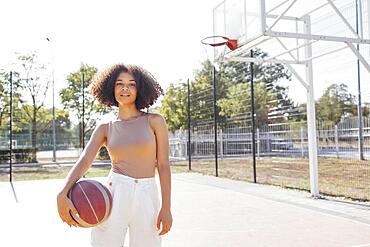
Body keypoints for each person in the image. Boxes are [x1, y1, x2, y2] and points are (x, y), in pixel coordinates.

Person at [56, 63, 172, 247]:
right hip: (115, 191)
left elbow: (164, 165)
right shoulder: (105, 127)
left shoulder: (155, 121)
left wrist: (166, 207)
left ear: (140, 88)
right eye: (119, 83)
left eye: (132, 84)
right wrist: (62, 193)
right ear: (111, 87)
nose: (125, 88)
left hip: (147, 193)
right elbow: (85, 160)